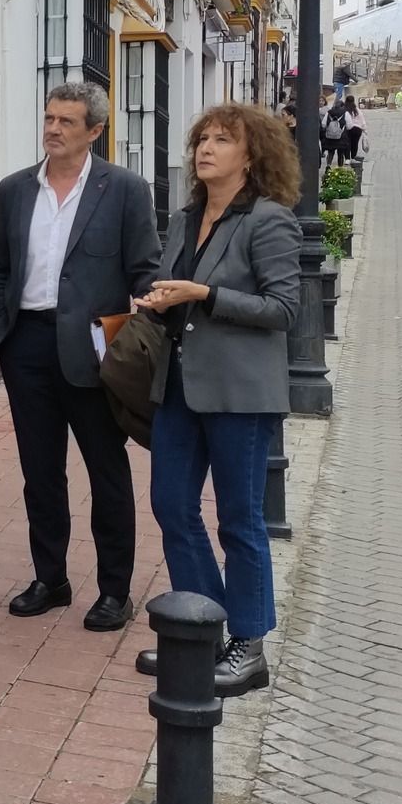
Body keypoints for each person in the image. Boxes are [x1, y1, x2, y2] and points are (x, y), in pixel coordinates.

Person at [132, 104, 301, 697]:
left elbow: (284, 310)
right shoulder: (185, 217)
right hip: (179, 385)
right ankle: (203, 631)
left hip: (239, 393)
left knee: (239, 520)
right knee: (172, 506)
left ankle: (249, 648)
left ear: (250, 155)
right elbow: (173, 283)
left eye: (222, 140)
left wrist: (205, 294)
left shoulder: (269, 221)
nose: (206, 148)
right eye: (202, 138)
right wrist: (156, 299)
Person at [0, 83, 160, 631]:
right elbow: (1, 266)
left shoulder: (125, 190)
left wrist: (136, 336)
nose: (53, 129)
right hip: (27, 345)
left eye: (66, 121)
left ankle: (115, 590)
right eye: (49, 118)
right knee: (40, 471)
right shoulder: (15, 189)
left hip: (92, 349)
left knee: (106, 471)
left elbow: (145, 269)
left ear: (94, 132)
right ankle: (50, 578)